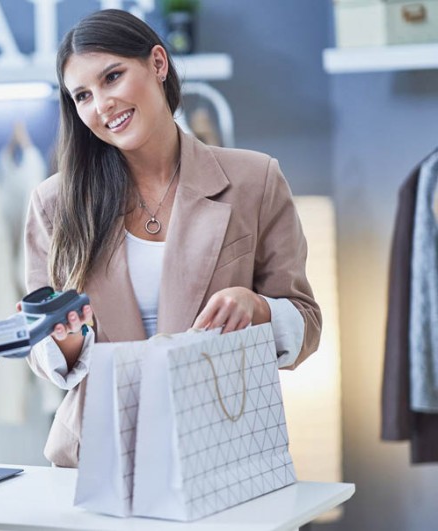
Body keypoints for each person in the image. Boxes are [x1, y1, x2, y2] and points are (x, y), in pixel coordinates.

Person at [24, 9, 322, 467]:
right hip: (100, 455)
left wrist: (257, 306)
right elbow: (40, 348)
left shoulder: (254, 179)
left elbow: (307, 322)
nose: (101, 104)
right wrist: (64, 342)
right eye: (82, 95)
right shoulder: (54, 203)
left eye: (113, 77)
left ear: (158, 64)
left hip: (223, 449)